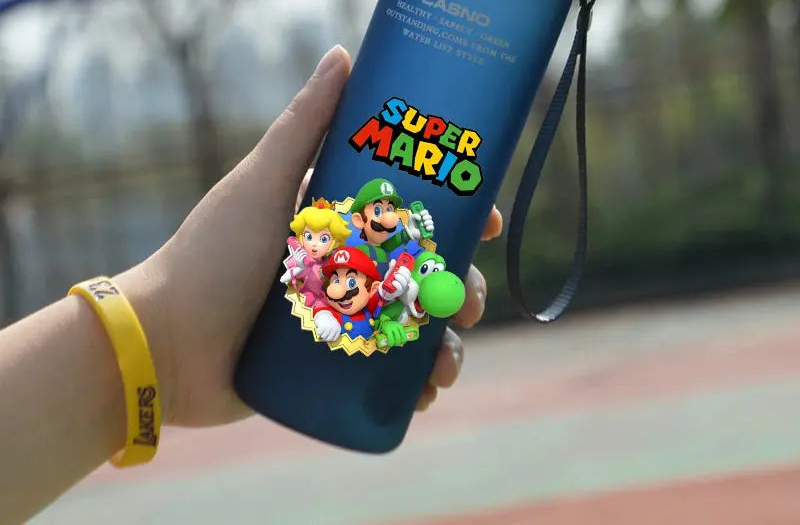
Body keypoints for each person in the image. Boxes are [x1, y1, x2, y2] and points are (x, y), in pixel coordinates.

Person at [0, 45, 501, 524]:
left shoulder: (398, 254)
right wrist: (163, 343)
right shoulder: (339, 242)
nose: (383, 219)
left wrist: (166, 345)